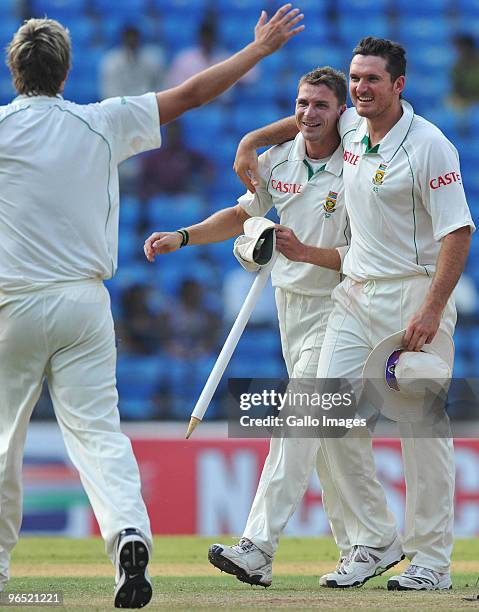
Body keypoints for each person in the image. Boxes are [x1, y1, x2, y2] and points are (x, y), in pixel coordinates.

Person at [0, 9, 304, 609]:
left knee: (3, 441)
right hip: (84, 302)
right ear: (65, 72)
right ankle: (129, 536)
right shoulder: (101, 122)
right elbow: (191, 93)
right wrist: (258, 51)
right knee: (99, 435)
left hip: (11, 301)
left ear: (15, 71)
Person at [234, 36, 475, 591]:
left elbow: (458, 232)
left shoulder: (429, 146)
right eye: (356, 78)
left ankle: (432, 564)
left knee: (421, 430)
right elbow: (305, 120)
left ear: (399, 86)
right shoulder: (351, 131)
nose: (362, 88)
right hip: (355, 292)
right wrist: (251, 140)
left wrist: (433, 309)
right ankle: (354, 542)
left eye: (372, 79)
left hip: (415, 296)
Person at [145, 66, 365, 587]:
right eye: (301, 103)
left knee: (299, 417)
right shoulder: (280, 161)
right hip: (292, 308)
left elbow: (364, 254)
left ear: (342, 113)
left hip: (344, 307)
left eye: (321, 106)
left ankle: (258, 546)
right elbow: (242, 216)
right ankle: (369, 542)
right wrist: (183, 235)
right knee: (327, 435)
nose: (309, 114)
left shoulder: (359, 160)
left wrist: (248, 136)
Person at [99, 25, 165, 100]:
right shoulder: (111, 60)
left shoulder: (151, 59)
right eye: (129, 40)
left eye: (134, 40)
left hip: (146, 104)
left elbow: (161, 85)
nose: (132, 42)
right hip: (119, 105)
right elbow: (108, 91)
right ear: (123, 41)